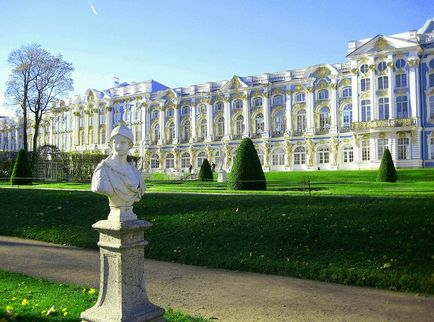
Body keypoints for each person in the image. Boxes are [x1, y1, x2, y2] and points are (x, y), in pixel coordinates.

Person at [91, 123, 145, 208]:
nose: (118, 146)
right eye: (115, 142)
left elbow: (141, 189)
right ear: (111, 144)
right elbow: (100, 187)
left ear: (130, 145)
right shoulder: (103, 169)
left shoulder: (135, 173)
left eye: (123, 142)